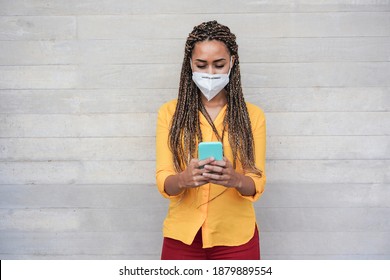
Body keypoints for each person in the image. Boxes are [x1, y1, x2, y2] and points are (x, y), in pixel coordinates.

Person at [155, 20, 266, 260]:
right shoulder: (170, 113)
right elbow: (164, 179)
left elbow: (256, 181)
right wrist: (184, 179)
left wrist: (235, 179)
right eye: (201, 65)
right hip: (182, 236)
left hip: (237, 238)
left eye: (219, 65)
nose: (210, 73)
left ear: (232, 62)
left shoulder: (253, 116)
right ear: (190, 65)